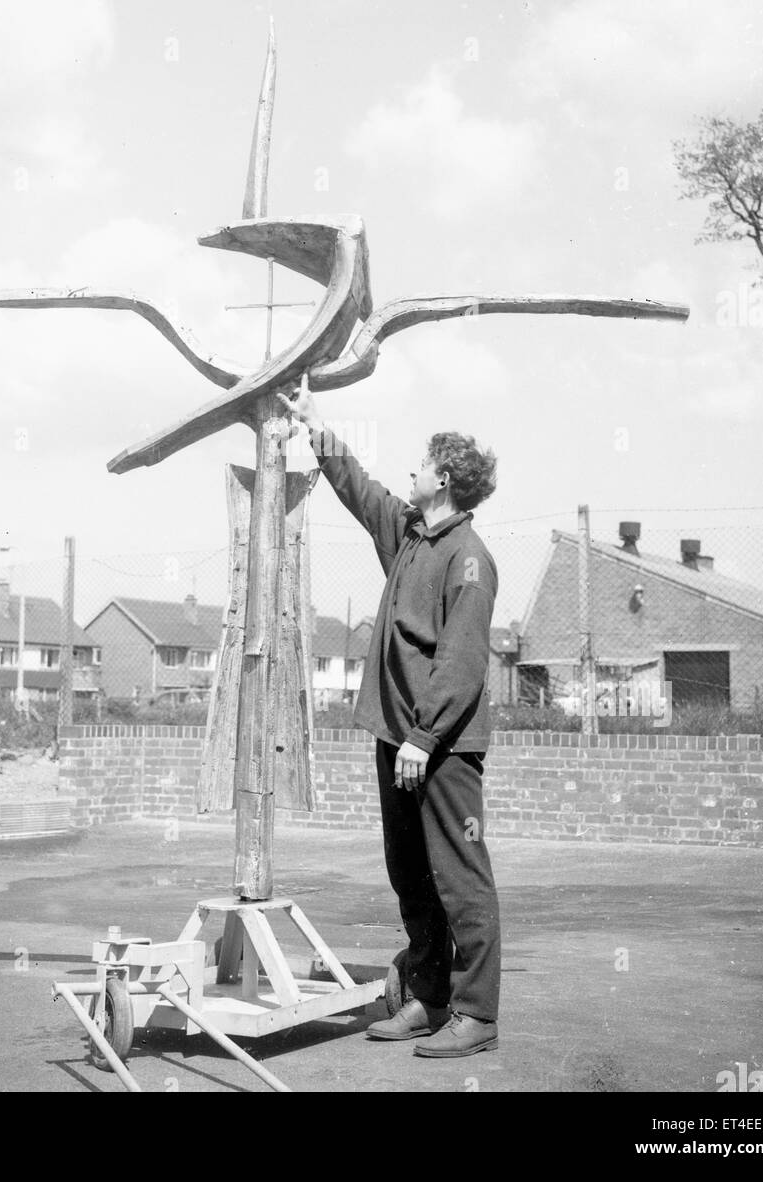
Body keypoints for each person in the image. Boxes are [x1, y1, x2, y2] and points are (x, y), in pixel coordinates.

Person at [277, 373, 502, 1059]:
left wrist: (425, 736)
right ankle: (431, 997)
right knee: (410, 874)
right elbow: (359, 485)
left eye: (424, 462)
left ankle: (477, 1016)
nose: (411, 467)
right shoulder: (409, 536)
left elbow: (461, 663)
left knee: (459, 877)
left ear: (446, 481)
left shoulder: (470, 560)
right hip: (398, 740)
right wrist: (315, 423)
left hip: (441, 747)